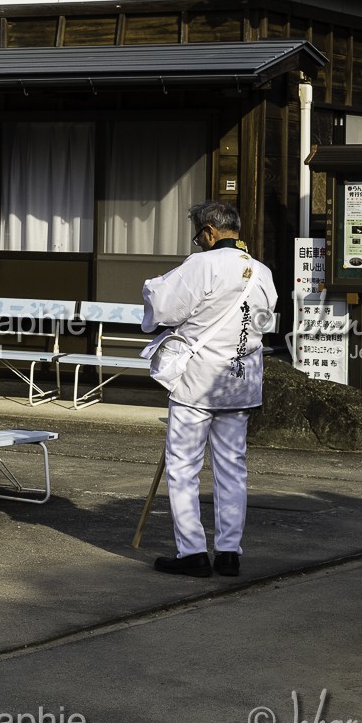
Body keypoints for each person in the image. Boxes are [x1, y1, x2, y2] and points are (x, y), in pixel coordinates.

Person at [141, 201, 278, 578]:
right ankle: (229, 552)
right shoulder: (262, 272)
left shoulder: (201, 265)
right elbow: (262, 322)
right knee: (232, 467)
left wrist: (153, 291)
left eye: (198, 235)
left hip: (197, 381)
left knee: (183, 466)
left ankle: (193, 552)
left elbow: (164, 306)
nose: (197, 242)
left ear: (209, 231)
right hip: (240, 380)